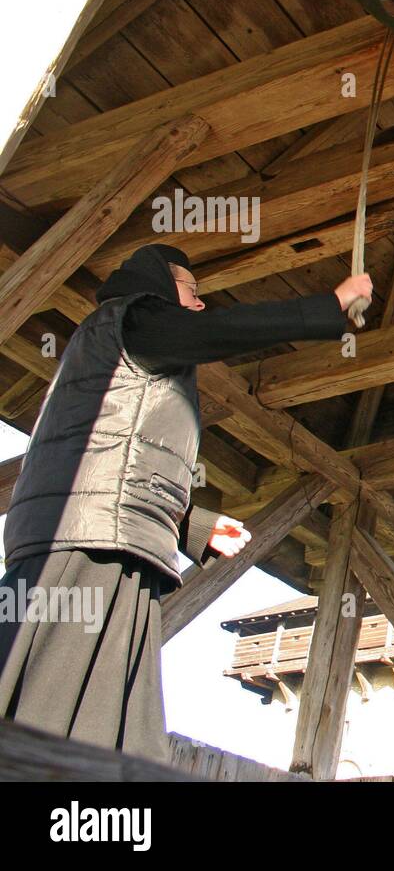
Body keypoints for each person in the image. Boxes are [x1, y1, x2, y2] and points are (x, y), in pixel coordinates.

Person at [0, 243, 370, 761]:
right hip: (90, 550)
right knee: (56, 721)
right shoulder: (132, 319)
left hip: (101, 543)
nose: (197, 305)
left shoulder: (110, 351)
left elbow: (110, 461)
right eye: (191, 291)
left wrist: (191, 526)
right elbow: (213, 331)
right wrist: (327, 307)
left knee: (103, 730)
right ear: (156, 282)